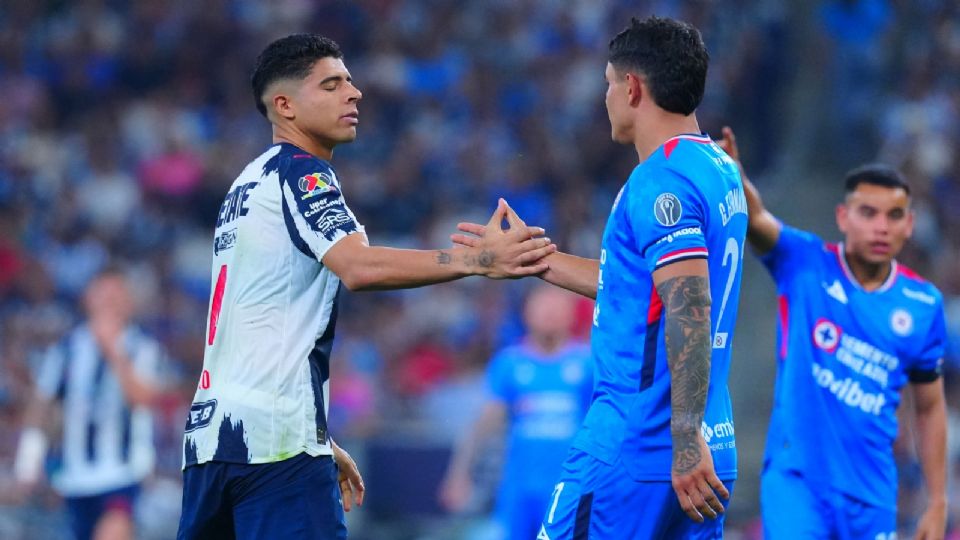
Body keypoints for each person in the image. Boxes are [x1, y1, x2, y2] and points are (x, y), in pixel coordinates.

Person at [176, 34, 555, 540]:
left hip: (212, 444)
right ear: (285, 105)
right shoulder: (302, 174)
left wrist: (319, 436)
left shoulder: (246, 184)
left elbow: (256, 329)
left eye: (350, 82)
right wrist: (478, 259)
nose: (354, 93)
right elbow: (358, 266)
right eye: (331, 85)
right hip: (276, 447)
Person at [456, 15, 747, 538]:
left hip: (639, 445)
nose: (606, 97)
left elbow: (689, 306)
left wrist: (682, 440)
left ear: (632, 87)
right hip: (708, 442)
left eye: (609, 83)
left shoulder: (659, 180)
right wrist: (535, 258)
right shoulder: (719, 169)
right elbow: (644, 292)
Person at [718, 127, 947, 539]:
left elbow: (929, 408)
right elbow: (757, 218)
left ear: (910, 224)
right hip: (797, 481)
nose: (881, 227)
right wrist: (734, 175)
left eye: (894, 215)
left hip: (872, 494)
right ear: (843, 217)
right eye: (868, 213)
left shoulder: (923, 304)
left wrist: (937, 500)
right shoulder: (804, 262)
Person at [15, 267, 164, 540]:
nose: (108, 303)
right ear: (88, 299)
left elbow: (142, 398)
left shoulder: (142, 347)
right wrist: (29, 460)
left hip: (122, 473)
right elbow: (42, 405)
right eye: (102, 295)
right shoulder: (66, 349)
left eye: (115, 296)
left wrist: (113, 351)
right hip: (74, 478)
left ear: (128, 303)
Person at [438, 285, 593, 540]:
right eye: (542, 306)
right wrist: (458, 474)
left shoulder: (588, 363)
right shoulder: (509, 364)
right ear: (526, 312)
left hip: (570, 487)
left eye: (557, 306)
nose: (550, 313)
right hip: (518, 488)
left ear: (570, 314)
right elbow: (484, 424)